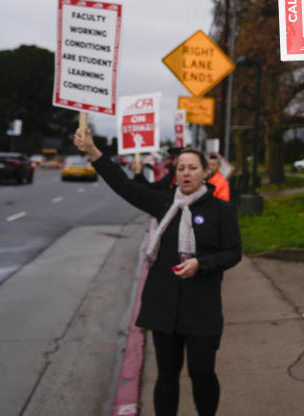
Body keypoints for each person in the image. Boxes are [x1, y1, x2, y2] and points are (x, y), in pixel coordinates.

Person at [73, 128, 241, 416]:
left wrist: (202, 264)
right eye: (181, 168)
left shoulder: (220, 210)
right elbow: (123, 186)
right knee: (166, 375)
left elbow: (233, 253)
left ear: (205, 173)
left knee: (201, 372)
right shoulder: (163, 203)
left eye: (193, 168)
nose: (186, 173)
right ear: (175, 173)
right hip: (163, 305)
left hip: (202, 307)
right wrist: (93, 152)